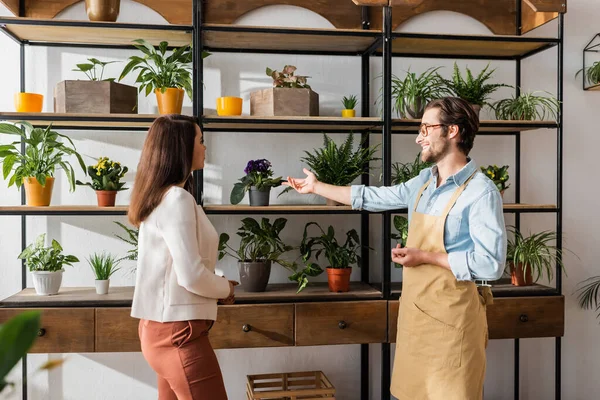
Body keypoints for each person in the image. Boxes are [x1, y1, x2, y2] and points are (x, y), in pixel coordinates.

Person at [285, 97, 506, 399]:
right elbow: (374, 197)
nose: (419, 138)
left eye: (426, 128)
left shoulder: (481, 192)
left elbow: (491, 265)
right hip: (417, 321)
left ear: (452, 131)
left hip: (454, 328)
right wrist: (317, 187)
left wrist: (425, 256)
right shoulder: (424, 183)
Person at [128, 114, 236, 400]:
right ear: (181, 148)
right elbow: (191, 275)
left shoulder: (161, 196)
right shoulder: (176, 199)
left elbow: (179, 268)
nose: (204, 147)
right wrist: (226, 288)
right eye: (200, 140)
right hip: (179, 335)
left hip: (161, 330)